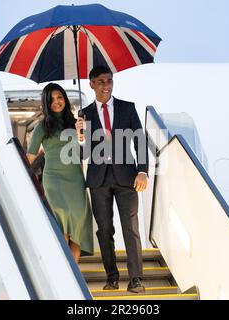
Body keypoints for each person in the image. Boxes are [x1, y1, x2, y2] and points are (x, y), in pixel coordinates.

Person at [76, 66, 149, 293]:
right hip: (98, 180)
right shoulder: (84, 114)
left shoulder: (127, 108)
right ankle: (112, 277)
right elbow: (84, 153)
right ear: (91, 85)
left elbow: (139, 140)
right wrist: (80, 136)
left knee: (131, 228)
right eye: (100, 82)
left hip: (127, 177)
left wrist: (143, 170)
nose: (106, 86)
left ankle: (136, 279)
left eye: (109, 81)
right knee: (105, 230)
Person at [27, 83, 93, 262]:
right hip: (54, 180)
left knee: (77, 228)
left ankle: (75, 277)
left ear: (65, 99)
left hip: (76, 179)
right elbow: (30, 158)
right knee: (61, 222)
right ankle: (66, 276)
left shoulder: (76, 122)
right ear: (46, 103)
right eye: (52, 99)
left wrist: (82, 132)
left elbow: (88, 150)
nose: (57, 102)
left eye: (60, 97)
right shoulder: (41, 127)